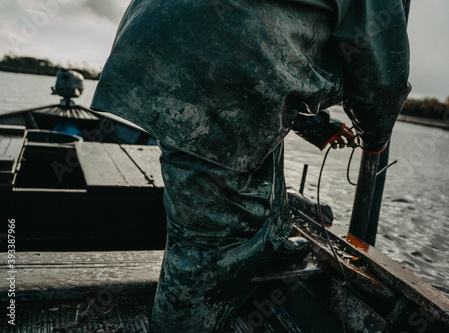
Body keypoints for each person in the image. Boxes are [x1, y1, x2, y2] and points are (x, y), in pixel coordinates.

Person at [91, 0, 410, 331]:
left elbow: (269, 43)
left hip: (154, 38)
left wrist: (321, 127)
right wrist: (375, 138)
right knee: (212, 243)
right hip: (223, 61)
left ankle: (271, 239)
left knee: (262, 137)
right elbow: (383, 79)